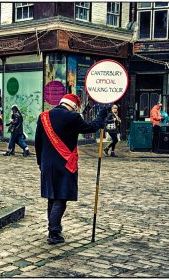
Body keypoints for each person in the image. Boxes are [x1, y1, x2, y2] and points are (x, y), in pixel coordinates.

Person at [35, 94, 109, 245]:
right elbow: (91, 128)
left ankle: (54, 229)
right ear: (74, 106)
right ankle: (54, 233)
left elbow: (38, 143)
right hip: (65, 163)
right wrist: (101, 115)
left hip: (47, 163)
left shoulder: (43, 116)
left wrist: (40, 163)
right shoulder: (73, 117)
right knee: (61, 198)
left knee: (52, 197)